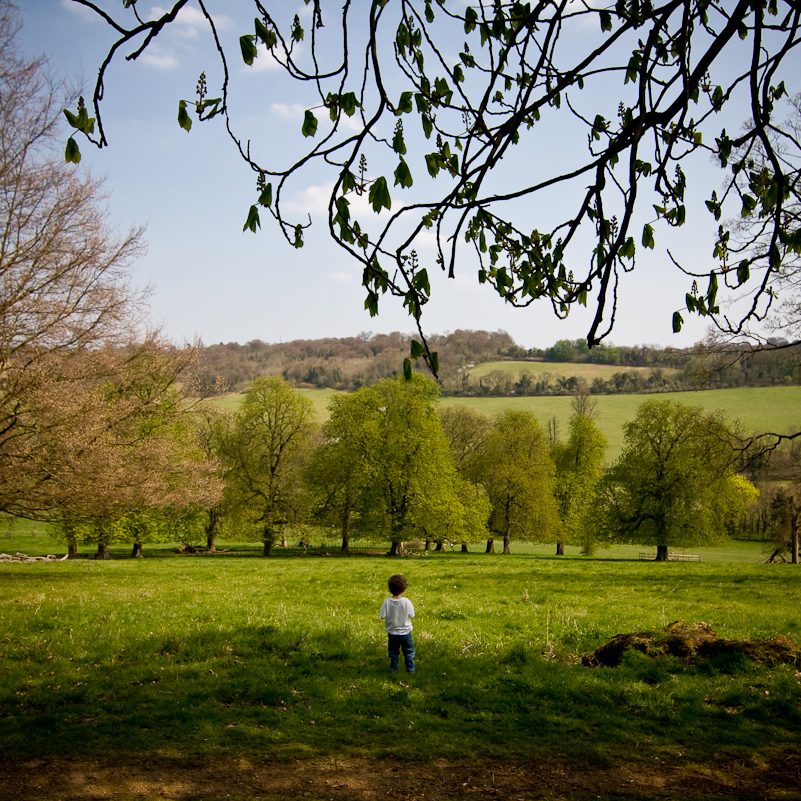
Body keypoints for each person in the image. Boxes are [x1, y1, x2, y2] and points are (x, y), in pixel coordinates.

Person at [379, 573, 415, 674]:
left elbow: (382, 615)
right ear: (404, 589)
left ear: (390, 589)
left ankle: (394, 669)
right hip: (406, 632)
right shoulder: (407, 602)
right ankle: (410, 669)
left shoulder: (387, 602)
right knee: (409, 652)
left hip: (392, 632)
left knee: (393, 652)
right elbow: (412, 615)